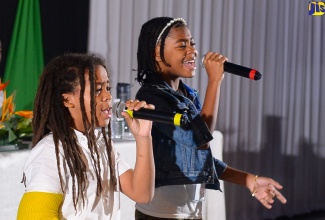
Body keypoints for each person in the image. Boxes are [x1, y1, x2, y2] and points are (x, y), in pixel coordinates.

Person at [134, 17, 287, 219]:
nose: (192, 51)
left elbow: (197, 159)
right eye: (182, 45)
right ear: (156, 52)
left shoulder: (187, 95)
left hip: (189, 212)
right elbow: (199, 141)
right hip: (163, 214)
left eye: (192, 43)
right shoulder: (151, 97)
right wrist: (214, 82)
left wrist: (248, 179)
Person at [17, 53, 155, 219]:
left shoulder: (101, 144)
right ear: (67, 100)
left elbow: (142, 194)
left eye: (108, 88)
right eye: (98, 90)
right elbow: (33, 215)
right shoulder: (51, 151)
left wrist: (143, 137)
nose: (108, 97)